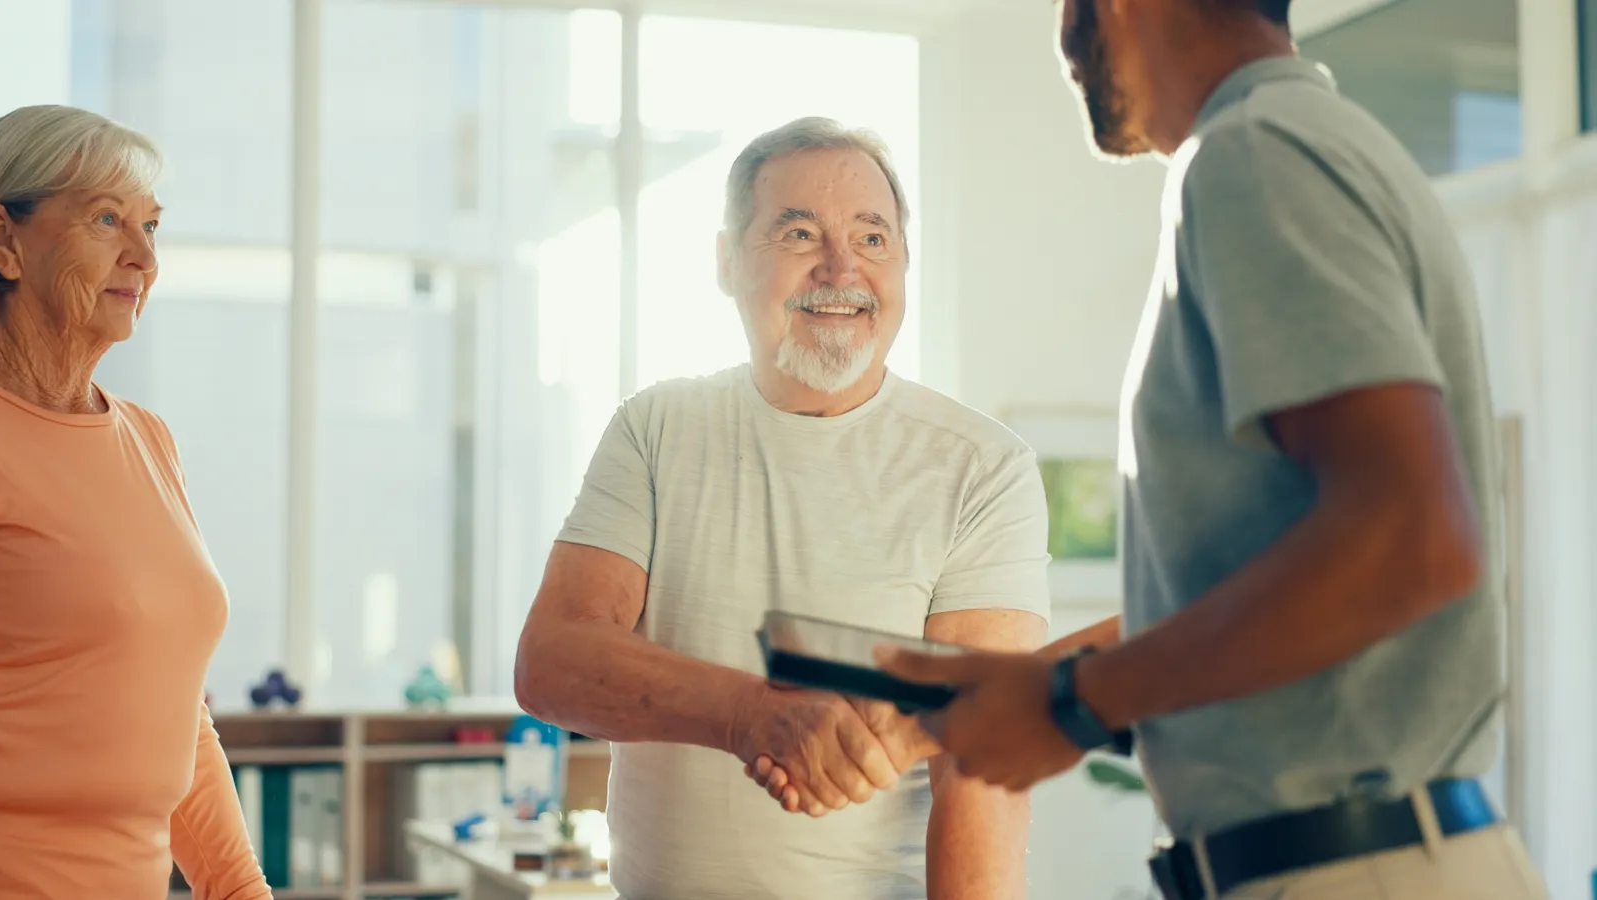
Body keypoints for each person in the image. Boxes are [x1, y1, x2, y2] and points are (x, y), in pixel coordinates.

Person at [877, 2, 1550, 899]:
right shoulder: (1316, 143)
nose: (1065, 40)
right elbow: (1310, 567)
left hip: (1349, 871)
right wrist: (1060, 685)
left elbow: (1411, 539)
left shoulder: (1254, 155)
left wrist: (1074, 705)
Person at [513, 116, 1051, 900]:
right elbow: (552, 661)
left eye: (873, 239)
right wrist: (750, 715)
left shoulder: (982, 468)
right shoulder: (656, 428)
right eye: (799, 234)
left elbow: (981, 769)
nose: (842, 268)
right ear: (727, 262)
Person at [0, 105, 271, 898]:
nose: (143, 257)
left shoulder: (149, 440)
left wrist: (240, 889)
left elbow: (174, 712)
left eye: (152, 226)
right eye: (107, 218)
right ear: (5, 243)